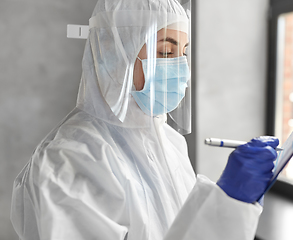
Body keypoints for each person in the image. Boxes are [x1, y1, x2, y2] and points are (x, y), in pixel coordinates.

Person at [10, 0, 279, 239]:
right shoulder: (71, 159)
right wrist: (226, 204)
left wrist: (229, 202)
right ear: (115, 55)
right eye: (165, 52)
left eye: (183, 52)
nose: (181, 68)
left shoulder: (169, 142)